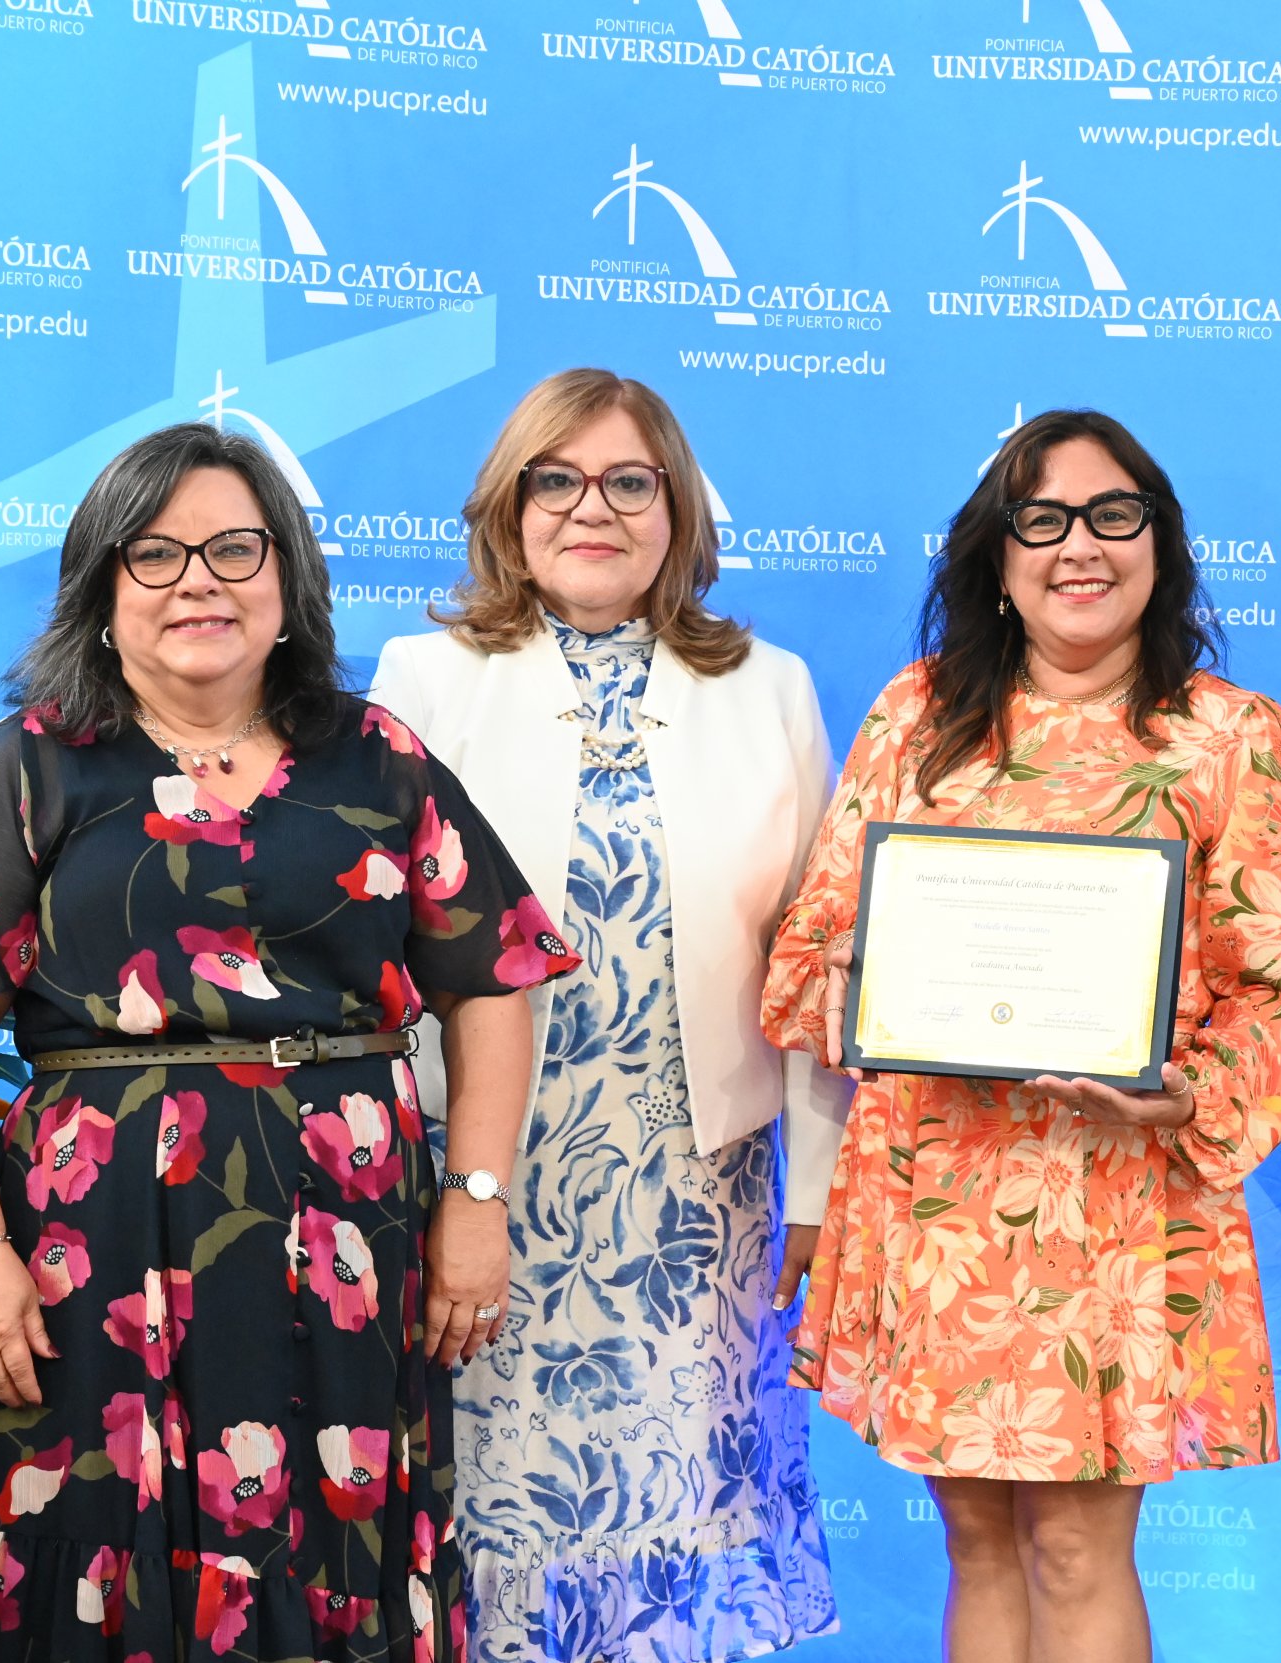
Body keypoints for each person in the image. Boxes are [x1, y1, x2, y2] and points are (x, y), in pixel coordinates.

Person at [0, 423, 578, 1658]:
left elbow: (489, 985)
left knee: (333, 1538)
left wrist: (478, 1199)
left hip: (347, 1244)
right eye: (154, 554)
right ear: (102, 590)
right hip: (91, 1256)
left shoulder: (379, 759)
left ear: (286, 576)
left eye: (234, 550)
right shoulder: (34, 766)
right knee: (91, 1539)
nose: (197, 581)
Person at [761, 409, 1281, 1663]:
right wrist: (863, 979)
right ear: (998, 558)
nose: (1080, 546)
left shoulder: (1229, 738)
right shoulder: (917, 716)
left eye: (1113, 515)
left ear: (1158, 545)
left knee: (1075, 1546)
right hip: (936, 1198)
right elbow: (807, 953)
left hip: (1115, 1195)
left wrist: (1186, 1096)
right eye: (1043, 520)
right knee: (974, 1540)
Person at [370, 369, 846, 1661]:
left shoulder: (771, 687)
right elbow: (379, 944)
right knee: (490, 1508)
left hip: (696, 1197)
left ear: (677, 507)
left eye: (630, 480)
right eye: (558, 480)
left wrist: (818, 1186)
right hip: (483, 1183)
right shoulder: (423, 677)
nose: (595, 508)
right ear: (509, 506)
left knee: (674, 1508)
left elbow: (817, 961)